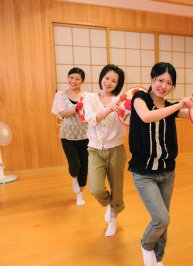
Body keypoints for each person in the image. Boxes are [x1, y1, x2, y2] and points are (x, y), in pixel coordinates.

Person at [128, 62, 192, 266]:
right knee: (161, 219)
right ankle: (146, 245)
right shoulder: (140, 98)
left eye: (169, 83)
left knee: (165, 220)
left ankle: (159, 259)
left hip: (167, 172)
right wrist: (177, 106)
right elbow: (147, 117)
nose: (163, 86)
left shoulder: (171, 107)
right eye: (160, 80)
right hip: (143, 173)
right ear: (152, 79)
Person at [84, 64, 126, 237]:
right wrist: (108, 109)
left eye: (114, 80)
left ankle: (114, 220)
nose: (109, 82)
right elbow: (90, 119)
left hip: (116, 148)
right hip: (94, 148)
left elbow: (130, 118)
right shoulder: (90, 97)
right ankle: (109, 204)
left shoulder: (121, 100)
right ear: (101, 77)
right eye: (107, 78)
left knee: (117, 187)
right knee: (95, 188)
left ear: (118, 84)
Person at [51, 67, 88, 206]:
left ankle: (80, 194)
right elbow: (62, 112)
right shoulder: (60, 95)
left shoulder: (87, 96)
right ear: (67, 78)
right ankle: (74, 178)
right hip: (67, 135)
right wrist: (77, 108)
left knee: (84, 166)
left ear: (82, 81)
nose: (73, 81)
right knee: (75, 165)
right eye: (71, 78)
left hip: (85, 135)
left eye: (77, 79)